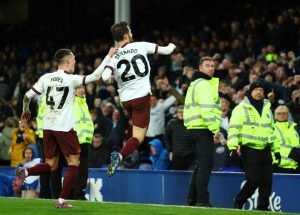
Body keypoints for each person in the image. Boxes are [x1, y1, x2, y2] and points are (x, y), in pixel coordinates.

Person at [12, 47, 117, 208]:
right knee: (74, 161)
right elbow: (96, 76)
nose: (75, 61)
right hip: (64, 127)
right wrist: (109, 56)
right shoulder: (72, 79)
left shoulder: (46, 77)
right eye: (73, 59)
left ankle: (25, 172)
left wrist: (25, 112)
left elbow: (27, 95)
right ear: (67, 61)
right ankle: (61, 200)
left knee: (51, 164)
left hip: (47, 127)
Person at [101, 21, 176, 176]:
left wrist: (111, 78)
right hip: (141, 98)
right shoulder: (141, 45)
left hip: (126, 101)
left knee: (135, 127)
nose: (132, 34)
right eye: (130, 31)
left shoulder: (114, 57)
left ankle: (123, 146)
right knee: (139, 137)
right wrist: (173, 45)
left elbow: (105, 77)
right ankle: (120, 156)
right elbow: (167, 51)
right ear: (126, 35)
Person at [227, 81, 280, 211]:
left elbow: (272, 130)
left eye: (261, 90)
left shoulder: (268, 109)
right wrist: (232, 147)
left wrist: (276, 150)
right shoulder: (241, 108)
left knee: (267, 181)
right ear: (250, 92)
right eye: (256, 90)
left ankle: (262, 207)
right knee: (253, 180)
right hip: (249, 149)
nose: (259, 92)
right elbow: (234, 129)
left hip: (266, 149)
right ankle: (239, 201)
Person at [183, 56, 222, 207]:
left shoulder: (195, 83)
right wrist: (215, 130)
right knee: (205, 166)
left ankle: (191, 200)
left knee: (200, 165)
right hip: (202, 129)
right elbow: (207, 110)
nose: (211, 68)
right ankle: (202, 201)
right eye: (207, 66)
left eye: (213, 66)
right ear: (200, 68)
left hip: (192, 128)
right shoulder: (205, 84)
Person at [69, 86, 94, 200]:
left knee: (81, 169)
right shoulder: (73, 102)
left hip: (84, 140)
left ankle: (76, 193)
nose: (82, 90)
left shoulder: (83, 102)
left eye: (83, 88)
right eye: (79, 88)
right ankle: (76, 194)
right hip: (76, 140)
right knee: (78, 169)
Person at [164, 105, 194, 170]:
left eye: (183, 112)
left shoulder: (192, 123)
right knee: (177, 177)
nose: (181, 114)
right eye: (179, 112)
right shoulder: (172, 123)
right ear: (177, 113)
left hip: (190, 155)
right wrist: (170, 151)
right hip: (176, 155)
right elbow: (166, 138)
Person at [273, 105, 300, 174]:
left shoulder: (295, 127)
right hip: (279, 167)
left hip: (296, 166)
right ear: (275, 115)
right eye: (279, 113)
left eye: (284, 113)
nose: (282, 115)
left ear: (288, 115)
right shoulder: (272, 128)